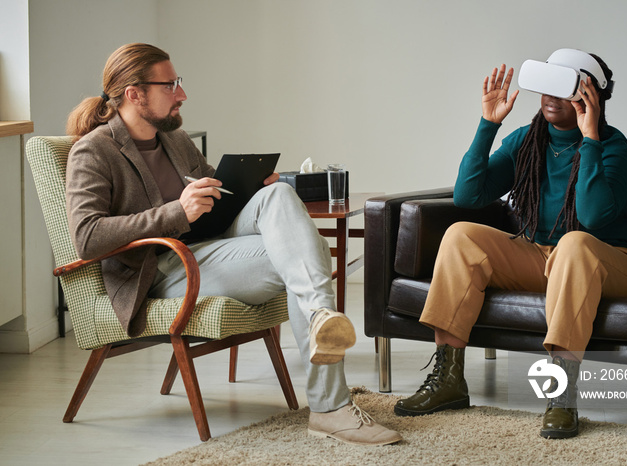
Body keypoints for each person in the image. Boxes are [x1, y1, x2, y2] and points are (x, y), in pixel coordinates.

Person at [65, 43, 401, 446]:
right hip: (159, 270)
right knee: (304, 257)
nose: (182, 94)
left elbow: (216, 195)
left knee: (280, 202)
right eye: (170, 85)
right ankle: (329, 402)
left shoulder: (175, 140)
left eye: (179, 83)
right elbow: (87, 237)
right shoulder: (94, 150)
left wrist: (255, 189)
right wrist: (176, 212)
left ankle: (319, 323)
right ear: (134, 94)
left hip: (207, 248)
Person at [393, 50, 627, 439]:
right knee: (461, 235)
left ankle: (562, 394)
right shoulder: (527, 140)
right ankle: (448, 381)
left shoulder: (614, 148)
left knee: (575, 242)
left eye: (564, 87)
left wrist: (590, 138)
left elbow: (593, 218)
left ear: (591, 97)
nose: (550, 96)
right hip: (547, 258)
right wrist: (488, 124)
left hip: (620, 262)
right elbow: (469, 195)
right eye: (546, 85)